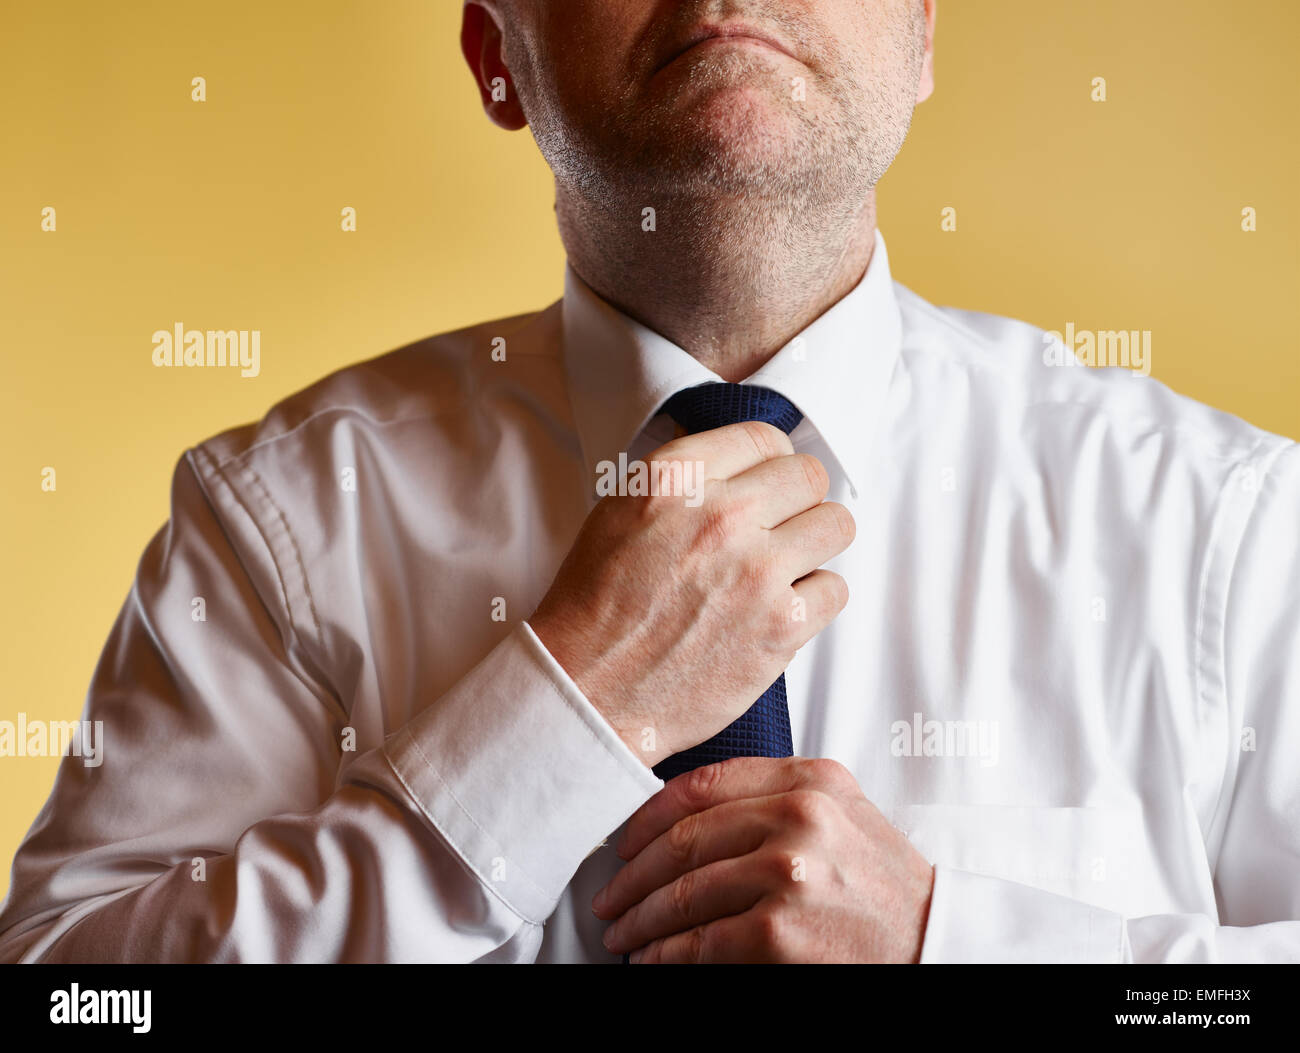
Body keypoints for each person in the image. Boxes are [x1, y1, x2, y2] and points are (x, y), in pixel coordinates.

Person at [1, 0, 1297, 964]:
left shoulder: (1221, 527)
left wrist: (955, 943)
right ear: (495, 57)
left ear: (921, 38)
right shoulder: (282, 523)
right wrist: (548, 721)